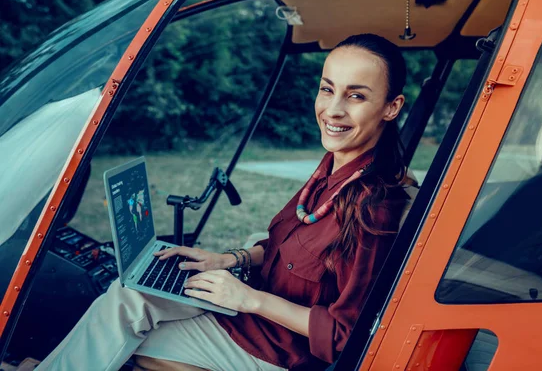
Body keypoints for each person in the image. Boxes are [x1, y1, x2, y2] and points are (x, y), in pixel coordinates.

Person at [37, 33, 417, 371]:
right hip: (252, 305)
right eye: (327, 88)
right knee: (129, 295)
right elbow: (288, 250)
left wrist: (250, 300)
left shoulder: (372, 207)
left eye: (356, 96)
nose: (333, 109)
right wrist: (228, 260)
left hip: (278, 347)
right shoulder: (331, 170)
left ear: (391, 107)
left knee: (124, 336)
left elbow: (345, 336)